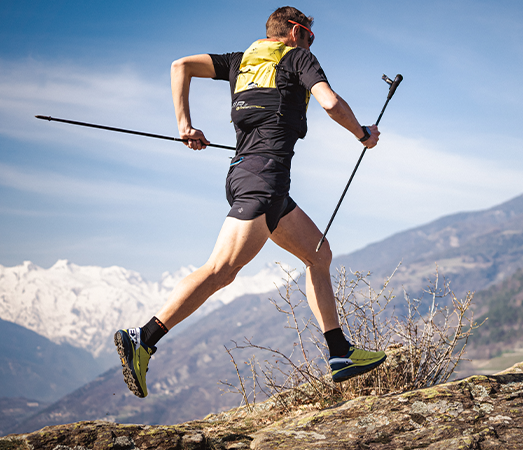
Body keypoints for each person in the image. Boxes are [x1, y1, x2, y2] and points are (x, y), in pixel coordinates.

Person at [114, 6, 386, 398]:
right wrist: (362, 134)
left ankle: (340, 352)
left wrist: (184, 125)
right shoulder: (298, 58)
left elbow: (180, 66)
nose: (310, 43)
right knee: (222, 270)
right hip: (263, 179)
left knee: (318, 254)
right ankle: (144, 338)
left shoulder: (240, 62)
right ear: (296, 32)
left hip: (256, 177)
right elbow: (329, 103)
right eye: (309, 36)